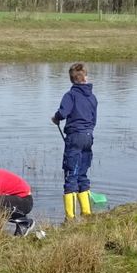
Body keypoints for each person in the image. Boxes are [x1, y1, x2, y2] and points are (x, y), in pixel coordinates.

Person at [51, 63, 97, 221]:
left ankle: (69, 218)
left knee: (71, 175)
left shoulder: (70, 95)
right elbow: (94, 119)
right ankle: (86, 213)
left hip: (75, 138)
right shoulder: (92, 97)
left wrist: (56, 118)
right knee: (82, 174)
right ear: (85, 77)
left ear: (72, 80)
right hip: (89, 136)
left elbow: (63, 113)